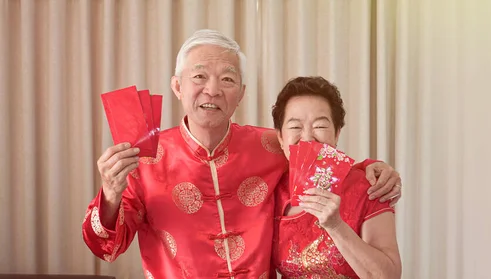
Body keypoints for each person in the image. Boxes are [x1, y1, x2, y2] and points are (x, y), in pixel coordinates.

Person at [82, 29, 402, 278]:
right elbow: (106, 248)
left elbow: (317, 151)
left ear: (241, 94)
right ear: (178, 86)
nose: (212, 89)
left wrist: (373, 168)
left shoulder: (269, 144)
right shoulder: (144, 159)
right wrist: (110, 195)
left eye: (228, 79)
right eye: (199, 76)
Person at [271, 76, 402, 278]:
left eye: (320, 126)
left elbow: (389, 276)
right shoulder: (270, 189)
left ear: (337, 133)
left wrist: (336, 226)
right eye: (295, 127)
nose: (307, 137)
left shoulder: (369, 187)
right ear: (280, 137)